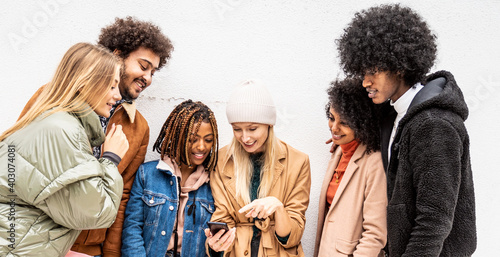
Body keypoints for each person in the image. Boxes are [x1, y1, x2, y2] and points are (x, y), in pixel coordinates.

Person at [18, 17, 174, 257]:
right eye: (143, 67)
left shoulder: (139, 127)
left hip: (89, 249)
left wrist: (108, 253)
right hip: (39, 243)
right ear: (118, 55)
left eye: (153, 72)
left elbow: (122, 199)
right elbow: (18, 167)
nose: (149, 78)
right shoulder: (54, 97)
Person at [337, 4, 476, 256]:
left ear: (398, 65)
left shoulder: (434, 124)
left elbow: (434, 220)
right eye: (361, 72)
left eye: (372, 72)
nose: (365, 81)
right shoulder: (397, 115)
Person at [0, 42, 127, 256]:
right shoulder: (62, 130)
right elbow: (95, 212)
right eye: (112, 86)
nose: (117, 96)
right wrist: (111, 159)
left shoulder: (50, 121)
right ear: (85, 83)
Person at [205, 80, 311, 257]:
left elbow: (293, 236)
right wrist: (216, 245)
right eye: (237, 129)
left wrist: (278, 208)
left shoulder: (298, 162)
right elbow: (222, 216)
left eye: (252, 129)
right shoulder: (220, 160)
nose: (245, 137)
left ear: (269, 124)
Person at [121, 100, 219, 257]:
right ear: (179, 136)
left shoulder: (215, 183)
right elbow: (132, 228)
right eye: (194, 139)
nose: (202, 146)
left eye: (208, 140)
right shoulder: (147, 174)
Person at [314, 78, 387, 257]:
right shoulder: (339, 151)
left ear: (362, 124)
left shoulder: (374, 162)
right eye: (331, 118)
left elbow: (375, 234)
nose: (334, 128)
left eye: (345, 123)